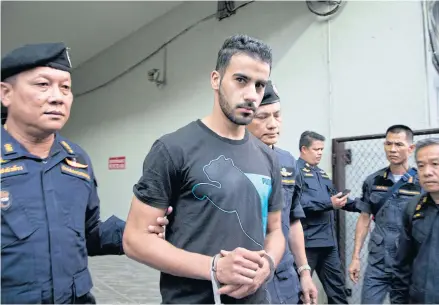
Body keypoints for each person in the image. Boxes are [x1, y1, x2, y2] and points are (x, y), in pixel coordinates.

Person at [122, 34, 285, 304]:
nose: (251, 95)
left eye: (259, 85)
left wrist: (267, 264)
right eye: (241, 80)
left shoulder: (267, 158)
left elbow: (276, 231)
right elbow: (134, 240)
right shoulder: (173, 149)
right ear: (216, 79)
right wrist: (214, 268)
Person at [150, 81, 319, 304]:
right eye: (262, 117)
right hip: (231, 273)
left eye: (277, 115)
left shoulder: (286, 161)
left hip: (278, 270)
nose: (272, 125)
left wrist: (304, 271)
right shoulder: (206, 156)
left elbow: (292, 222)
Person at [0, 43, 125, 304]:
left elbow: (88, 236)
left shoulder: (76, 160)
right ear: (6, 94)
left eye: (65, 87)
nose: (58, 97)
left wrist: (138, 230)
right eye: (43, 85)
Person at [348, 125, 421, 304]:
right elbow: (364, 219)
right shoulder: (373, 181)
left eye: (398, 144)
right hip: (378, 263)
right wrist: (355, 257)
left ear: (411, 148)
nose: (392, 149)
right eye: (388, 144)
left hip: (409, 264)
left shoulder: (422, 183)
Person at [295, 131, 359, 304]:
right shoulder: (295, 172)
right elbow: (299, 204)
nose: (320, 153)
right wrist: (329, 203)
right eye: (316, 149)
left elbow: (336, 198)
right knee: (301, 294)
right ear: (304, 149)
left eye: (322, 149)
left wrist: (363, 206)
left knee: (338, 293)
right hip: (308, 244)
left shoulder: (321, 174)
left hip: (328, 244)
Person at [391, 137, 439, 304]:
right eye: (420, 166)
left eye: (435, 164)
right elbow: (402, 266)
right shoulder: (414, 208)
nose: (427, 172)